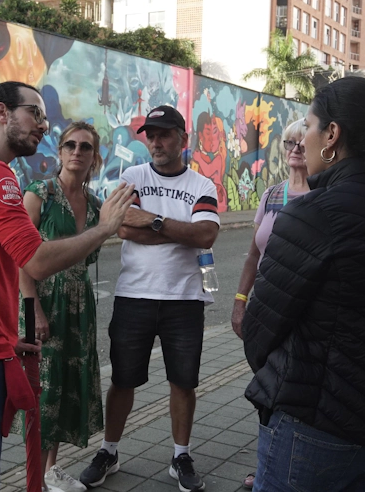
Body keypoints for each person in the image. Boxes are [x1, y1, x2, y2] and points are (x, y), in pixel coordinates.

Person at [0, 81, 136, 491]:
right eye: (34, 113)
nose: (43, 125)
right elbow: (34, 259)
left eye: (45, 117)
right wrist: (105, 228)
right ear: (2, 114)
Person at [241, 76, 365, 491]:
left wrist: (280, 384)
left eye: (308, 126)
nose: (303, 138)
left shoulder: (310, 214)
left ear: (332, 135)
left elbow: (260, 329)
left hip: (311, 431)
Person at [79, 105, 220, 492]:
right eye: (151, 136)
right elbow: (124, 228)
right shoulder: (132, 177)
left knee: (183, 382)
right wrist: (179, 229)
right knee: (122, 380)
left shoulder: (202, 185)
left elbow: (206, 234)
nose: (156, 142)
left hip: (185, 298)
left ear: (183, 139)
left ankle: (180, 456)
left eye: (164, 135)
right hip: (134, 295)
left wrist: (154, 220)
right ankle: (109, 451)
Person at [17, 121, 106, 492]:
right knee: (44, 390)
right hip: (44, 301)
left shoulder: (97, 206)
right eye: (70, 144)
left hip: (80, 306)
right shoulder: (40, 194)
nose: (77, 152)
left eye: (85, 147)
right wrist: (33, 308)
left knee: (68, 385)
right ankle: (33, 479)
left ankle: (51, 471)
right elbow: (20, 258)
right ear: (60, 151)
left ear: (94, 157)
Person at [231, 119, 309, 490]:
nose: (295, 149)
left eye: (303, 142)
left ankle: (286, 466)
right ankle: (266, 464)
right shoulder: (272, 195)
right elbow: (253, 255)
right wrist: (240, 301)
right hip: (265, 311)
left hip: (302, 314)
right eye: (290, 143)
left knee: (293, 395)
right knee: (264, 392)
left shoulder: (321, 196)